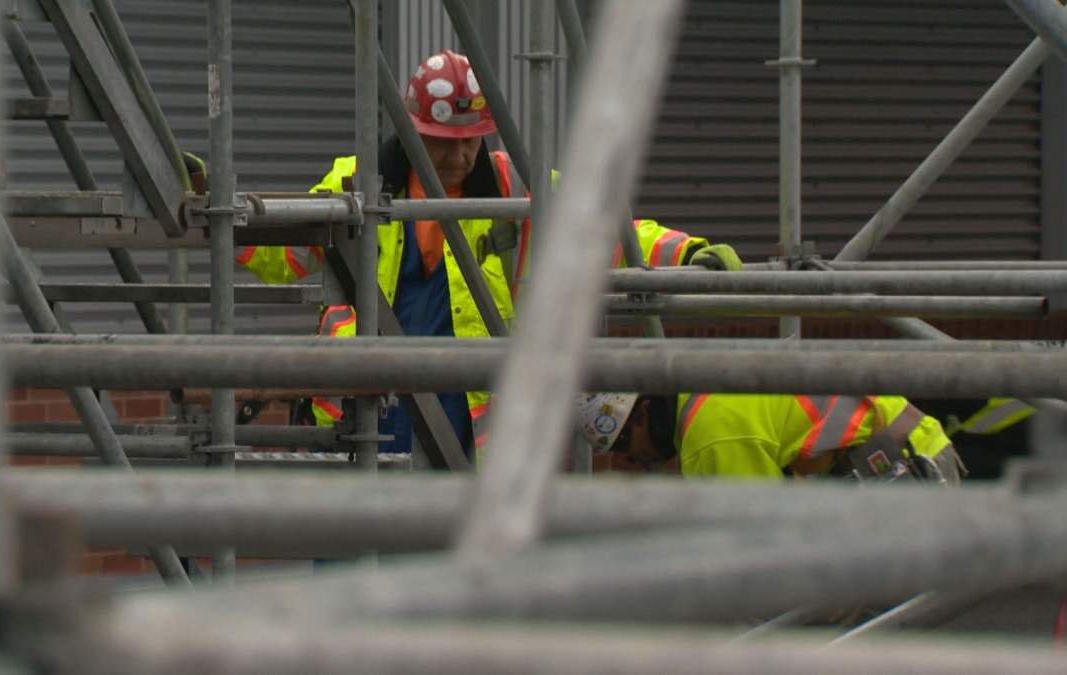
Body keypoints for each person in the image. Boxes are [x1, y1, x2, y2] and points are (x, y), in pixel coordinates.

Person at [237, 50, 742, 458]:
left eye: (470, 143)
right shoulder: (358, 184)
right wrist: (224, 213)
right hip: (372, 398)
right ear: (413, 132)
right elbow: (289, 248)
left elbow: (601, 227)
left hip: (471, 403)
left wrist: (688, 254)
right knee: (361, 550)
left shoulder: (511, 185)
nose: (458, 158)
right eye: (441, 144)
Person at [577, 391, 963, 483]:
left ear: (643, 413)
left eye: (625, 444)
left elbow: (754, 539)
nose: (632, 460)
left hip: (909, 470)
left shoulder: (709, 438)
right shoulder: (704, 397)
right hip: (910, 452)